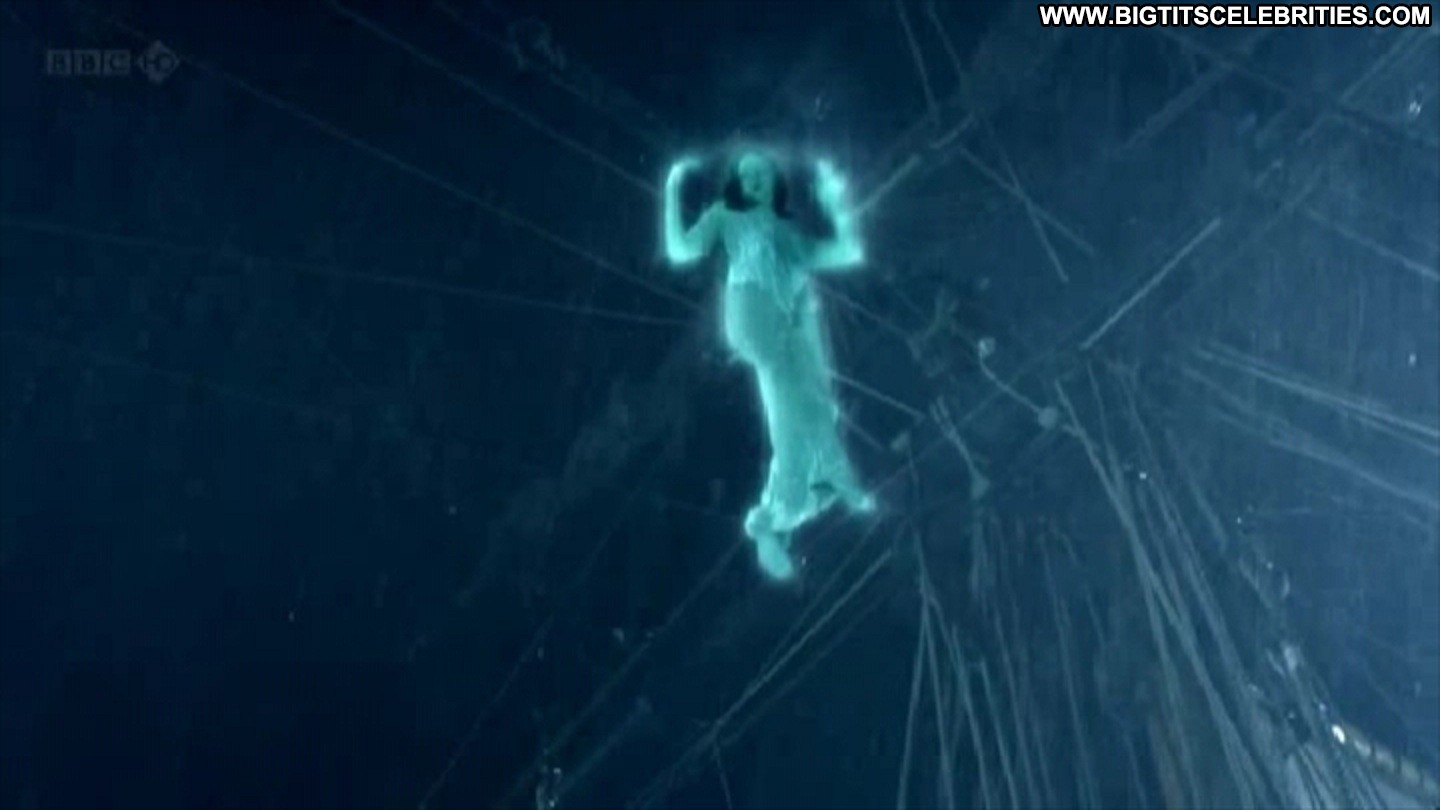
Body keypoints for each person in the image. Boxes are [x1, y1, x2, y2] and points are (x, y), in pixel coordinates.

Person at [662, 149, 875, 581]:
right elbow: (681, 249)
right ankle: (786, 506)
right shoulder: (727, 215)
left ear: (774, 180)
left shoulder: (789, 235)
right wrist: (671, 190)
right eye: (746, 175)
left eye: (761, 172)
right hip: (754, 317)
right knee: (792, 402)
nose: (754, 179)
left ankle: (781, 513)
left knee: (812, 405)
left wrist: (836, 202)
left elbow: (848, 250)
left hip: (782, 323)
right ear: (739, 185)